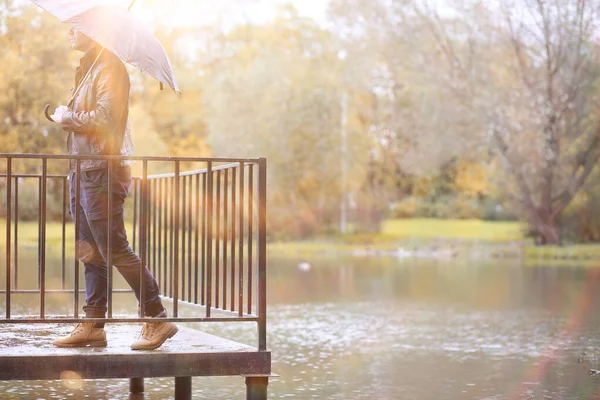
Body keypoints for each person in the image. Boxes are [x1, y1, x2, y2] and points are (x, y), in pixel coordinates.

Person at [51, 28, 178, 350]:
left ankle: (157, 318)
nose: (70, 32)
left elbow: (106, 118)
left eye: (76, 28)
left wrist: (70, 117)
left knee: (116, 249)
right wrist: (70, 117)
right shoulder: (90, 67)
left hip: (102, 171)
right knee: (90, 252)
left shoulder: (110, 68)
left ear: (95, 32)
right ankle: (93, 325)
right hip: (84, 170)